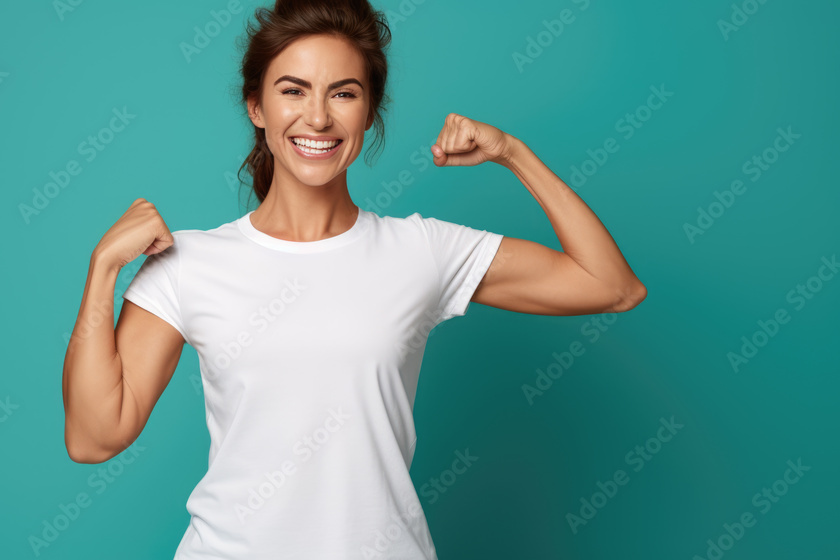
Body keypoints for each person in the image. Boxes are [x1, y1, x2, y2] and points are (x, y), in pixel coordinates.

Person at [61, 0, 646, 557]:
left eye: (343, 93)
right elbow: (94, 437)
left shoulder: (420, 251)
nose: (317, 117)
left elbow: (612, 285)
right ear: (256, 107)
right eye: (293, 91)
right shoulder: (190, 263)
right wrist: (101, 272)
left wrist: (513, 153)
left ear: (368, 111)